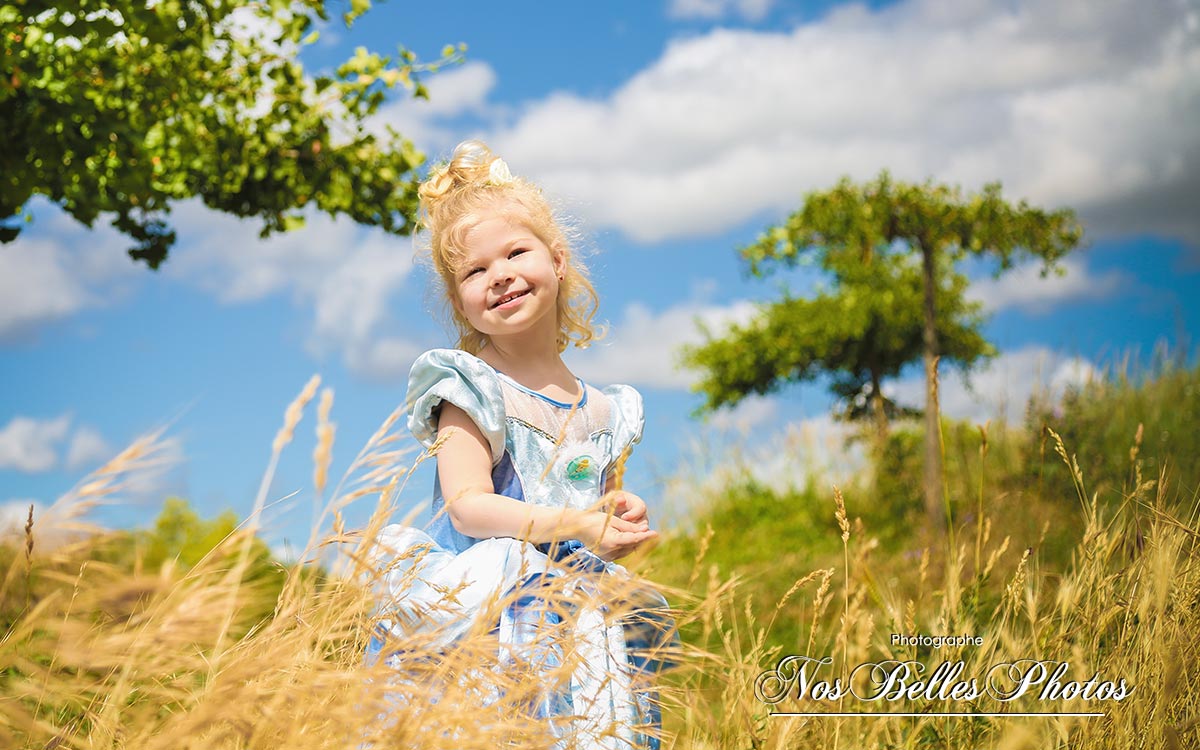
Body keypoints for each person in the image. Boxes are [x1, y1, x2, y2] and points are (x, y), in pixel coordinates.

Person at [366, 140, 677, 749]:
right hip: (502, 608)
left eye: (516, 252)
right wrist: (575, 522)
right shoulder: (472, 388)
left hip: (576, 616)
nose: (499, 275)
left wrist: (616, 514)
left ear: (557, 261)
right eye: (474, 272)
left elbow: (593, 506)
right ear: (459, 302)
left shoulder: (607, 409)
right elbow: (469, 507)